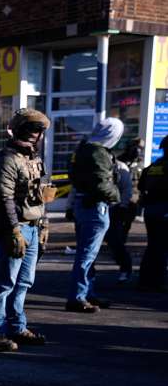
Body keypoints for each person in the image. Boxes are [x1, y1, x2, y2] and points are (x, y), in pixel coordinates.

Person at [0, 109, 53, 352]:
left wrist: (43, 224)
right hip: (15, 228)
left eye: (38, 131)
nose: (35, 135)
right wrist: (13, 230)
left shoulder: (33, 160)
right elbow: (3, 198)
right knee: (5, 283)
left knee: (23, 283)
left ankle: (17, 327)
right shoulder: (7, 160)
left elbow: (40, 196)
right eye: (31, 130)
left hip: (32, 228)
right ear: (19, 130)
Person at [66, 118, 123, 312]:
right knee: (86, 255)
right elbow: (101, 183)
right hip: (95, 207)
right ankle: (78, 297)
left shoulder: (82, 148)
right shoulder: (97, 151)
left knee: (87, 254)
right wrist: (116, 196)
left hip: (84, 205)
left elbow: (76, 176)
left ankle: (87, 293)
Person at [107, 140, 142, 283]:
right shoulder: (118, 161)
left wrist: (124, 205)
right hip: (113, 206)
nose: (137, 150)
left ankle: (125, 267)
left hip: (126, 205)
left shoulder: (135, 165)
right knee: (114, 239)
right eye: (135, 147)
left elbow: (129, 187)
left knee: (118, 238)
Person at [138, 136, 168, 292]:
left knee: (153, 246)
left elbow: (141, 185)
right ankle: (159, 281)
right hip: (164, 210)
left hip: (150, 211)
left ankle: (144, 280)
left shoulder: (153, 166)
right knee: (162, 248)